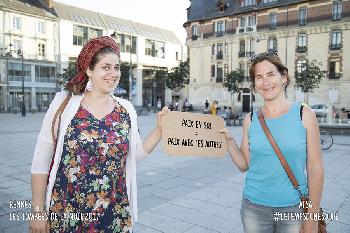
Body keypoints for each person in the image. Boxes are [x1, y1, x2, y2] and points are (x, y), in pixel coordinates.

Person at [30, 36, 169, 233]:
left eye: (117, 67)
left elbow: (133, 155)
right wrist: (38, 211)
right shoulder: (64, 103)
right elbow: (41, 160)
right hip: (68, 211)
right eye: (106, 67)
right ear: (89, 69)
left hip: (113, 213)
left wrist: (160, 129)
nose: (113, 74)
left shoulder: (126, 110)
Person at [219, 51, 324, 233]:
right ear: (254, 84)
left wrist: (312, 218)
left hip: (293, 208)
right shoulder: (250, 119)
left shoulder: (304, 115)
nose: (265, 82)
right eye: (259, 77)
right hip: (253, 208)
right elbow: (245, 165)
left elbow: (315, 168)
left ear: (283, 77)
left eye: (270, 74)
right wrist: (229, 141)